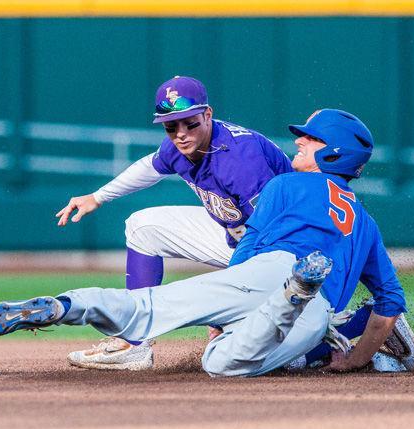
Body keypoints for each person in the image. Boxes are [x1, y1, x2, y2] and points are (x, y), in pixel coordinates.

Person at [0, 109, 414, 376]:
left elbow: (252, 246)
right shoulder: (366, 222)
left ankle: (67, 306)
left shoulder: (285, 185)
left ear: (334, 151)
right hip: (315, 309)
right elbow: (390, 301)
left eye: (312, 138)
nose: (300, 140)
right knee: (223, 364)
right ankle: (311, 319)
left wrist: (223, 307)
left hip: (263, 269)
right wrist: (358, 359)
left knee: (156, 307)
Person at [54, 76, 292, 370]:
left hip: (282, 250)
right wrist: (98, 196)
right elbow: (150, 167)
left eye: (189, 122)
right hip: (237, 236)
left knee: (247, 344)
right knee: (143, 226)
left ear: (208, 114)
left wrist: (229, 294)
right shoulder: (180, 145)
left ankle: (318, 336)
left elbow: (269, 230)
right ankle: (134, 343)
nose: (180, 133)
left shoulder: (240, 160)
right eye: (171, 126)